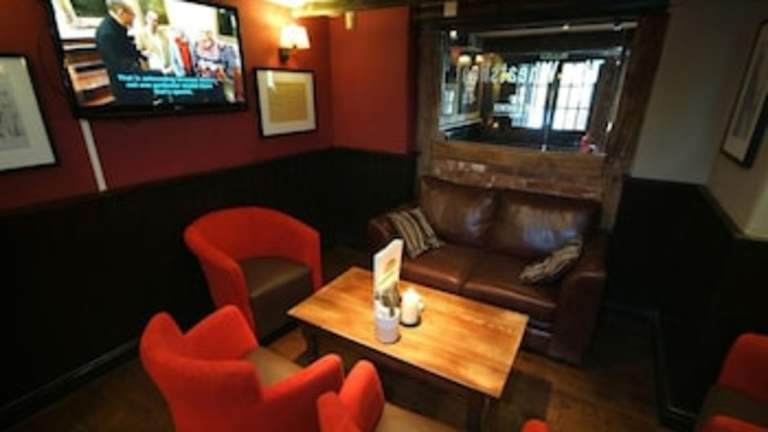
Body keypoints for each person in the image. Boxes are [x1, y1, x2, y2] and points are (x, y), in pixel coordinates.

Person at [95, 0, 150, 105]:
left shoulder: (117, 26)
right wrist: (139, 67)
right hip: (125, 85)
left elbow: (128, 47)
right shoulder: (106, 33)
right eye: (132, 15)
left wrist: (142, 56)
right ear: (121, 12)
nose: (133, 19)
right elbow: (116, 63)